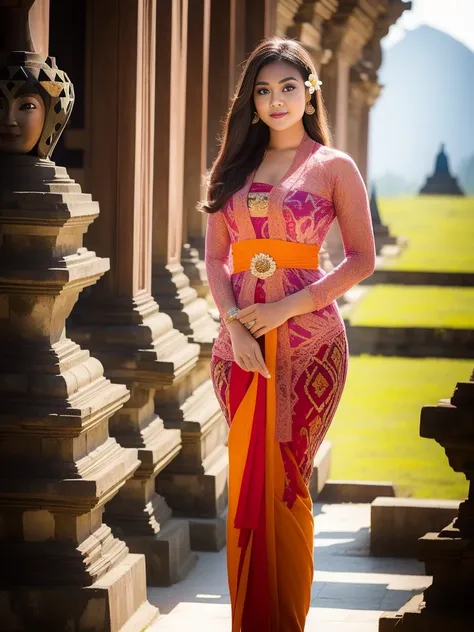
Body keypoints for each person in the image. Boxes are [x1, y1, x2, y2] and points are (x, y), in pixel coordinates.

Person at [202, 36, 375, 631]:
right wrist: (237, 328)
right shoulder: (235, 167)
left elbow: (360, 259)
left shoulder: (332, 166)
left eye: (288, 88)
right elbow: (216, 261)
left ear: (309, 93)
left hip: (310, 347)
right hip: (238, 351)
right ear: (251, 101)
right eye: (264, 90)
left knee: (287, 483)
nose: (276, 100)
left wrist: (286, 309)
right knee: (249, 480)